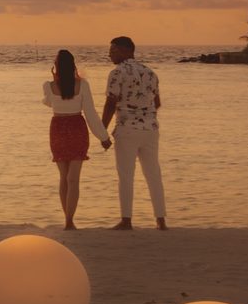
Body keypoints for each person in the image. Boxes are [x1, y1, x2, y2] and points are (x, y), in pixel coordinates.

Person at [100, 36, 167, 230]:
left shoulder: (117, 73)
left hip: (127, 129)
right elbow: (157, 103)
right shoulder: (150, 72)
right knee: (153, 174)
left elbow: (110, 103)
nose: (110, 55)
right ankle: (161, 220)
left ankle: (126, 220)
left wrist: (102, 130)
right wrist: (144, 114)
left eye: (113, 51)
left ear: (127, 51)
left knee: (126, 175)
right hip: (151, 129)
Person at [41, 48, 111, 229]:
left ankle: (68, 220)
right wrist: (103, 136)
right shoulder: (82, 84)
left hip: (58, 128)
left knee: (65, 178)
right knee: (72, 178)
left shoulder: (48, 86)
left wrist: (103, 136)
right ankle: (69, 220)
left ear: (56, 66)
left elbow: (49, 102)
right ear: (73, 66)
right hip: (76, 127)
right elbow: (91, 114)